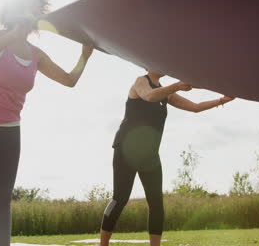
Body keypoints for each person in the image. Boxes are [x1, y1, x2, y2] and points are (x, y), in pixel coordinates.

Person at [0, 0, 93, 246]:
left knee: (3, 198)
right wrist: (12, 35)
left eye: (34, 9)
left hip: (10, 131)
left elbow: (69, 80)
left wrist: (83, 58)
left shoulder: (35, 55)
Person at [99, 70, 234, 246]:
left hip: (150, 154)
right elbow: (149, 96)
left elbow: (195, 107)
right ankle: (103, 244)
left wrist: (222, 100)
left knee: (156, 204)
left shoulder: (166, 94)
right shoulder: (141, 81)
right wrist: (177, 85)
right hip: (127, 149)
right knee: (120, 198)